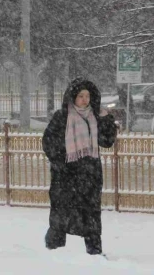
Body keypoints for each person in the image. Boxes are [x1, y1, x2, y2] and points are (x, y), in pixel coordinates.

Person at [42, 78, 118, 254]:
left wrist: (107, 120)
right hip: (66, 176)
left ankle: (94, 251)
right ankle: (54, 249)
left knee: (91, 214)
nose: (85, 100)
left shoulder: (96, 116)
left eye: (88, 96)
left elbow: (107, 142)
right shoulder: (62, 117)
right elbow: (48, 142)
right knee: (62, 212)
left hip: (89, 174)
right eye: (81, 96)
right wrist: (61, 163)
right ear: (73, 97)